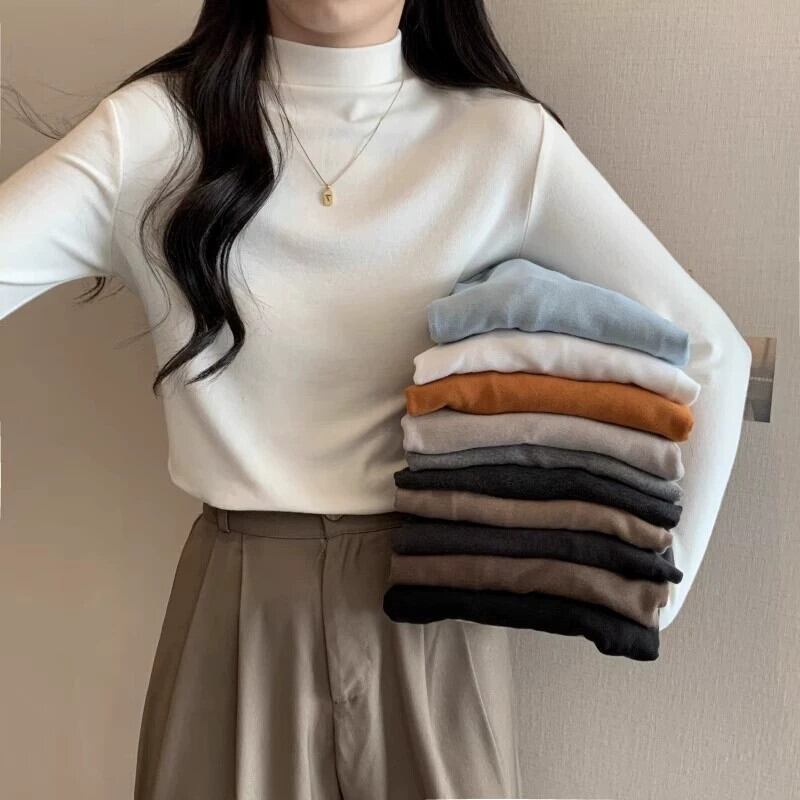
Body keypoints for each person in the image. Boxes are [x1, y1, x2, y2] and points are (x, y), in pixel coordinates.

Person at [0, 1, 751, 797]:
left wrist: (653, 587)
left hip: (436, 610)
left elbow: (711, 350)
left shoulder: (501, 140)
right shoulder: (153, 132)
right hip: (234, 617)